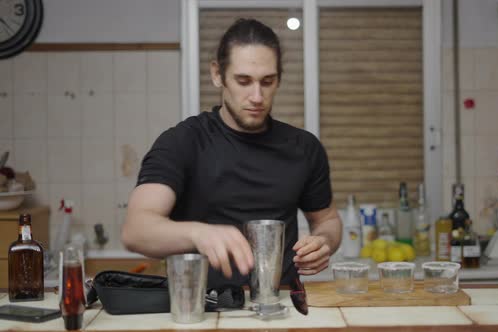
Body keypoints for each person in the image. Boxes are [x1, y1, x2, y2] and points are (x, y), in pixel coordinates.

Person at [121, 18, 342, 289]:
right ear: (217, 74)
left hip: (281, 307)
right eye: (243, 81)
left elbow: (327, 220)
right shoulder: (182, 142)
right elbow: (136, 230)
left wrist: (324, 242)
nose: (257, 96)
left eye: (267, 81)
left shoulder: (304, 148)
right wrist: (198, 233)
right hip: (202, 309)